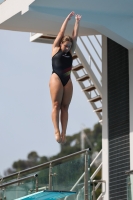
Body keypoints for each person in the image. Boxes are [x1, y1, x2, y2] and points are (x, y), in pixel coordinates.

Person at [49, 11, 82, 143]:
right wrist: (67, 20)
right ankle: (56, 130)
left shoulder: (70, 51)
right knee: (56, 105)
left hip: (67, 79)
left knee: (65, 107)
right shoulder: (56, 49)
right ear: (61, 44)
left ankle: (64, 132)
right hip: (56, 77)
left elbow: (75, 36)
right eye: (66, 45)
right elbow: (61, 33)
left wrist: (77, 22)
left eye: (69, 46)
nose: (67, 48)